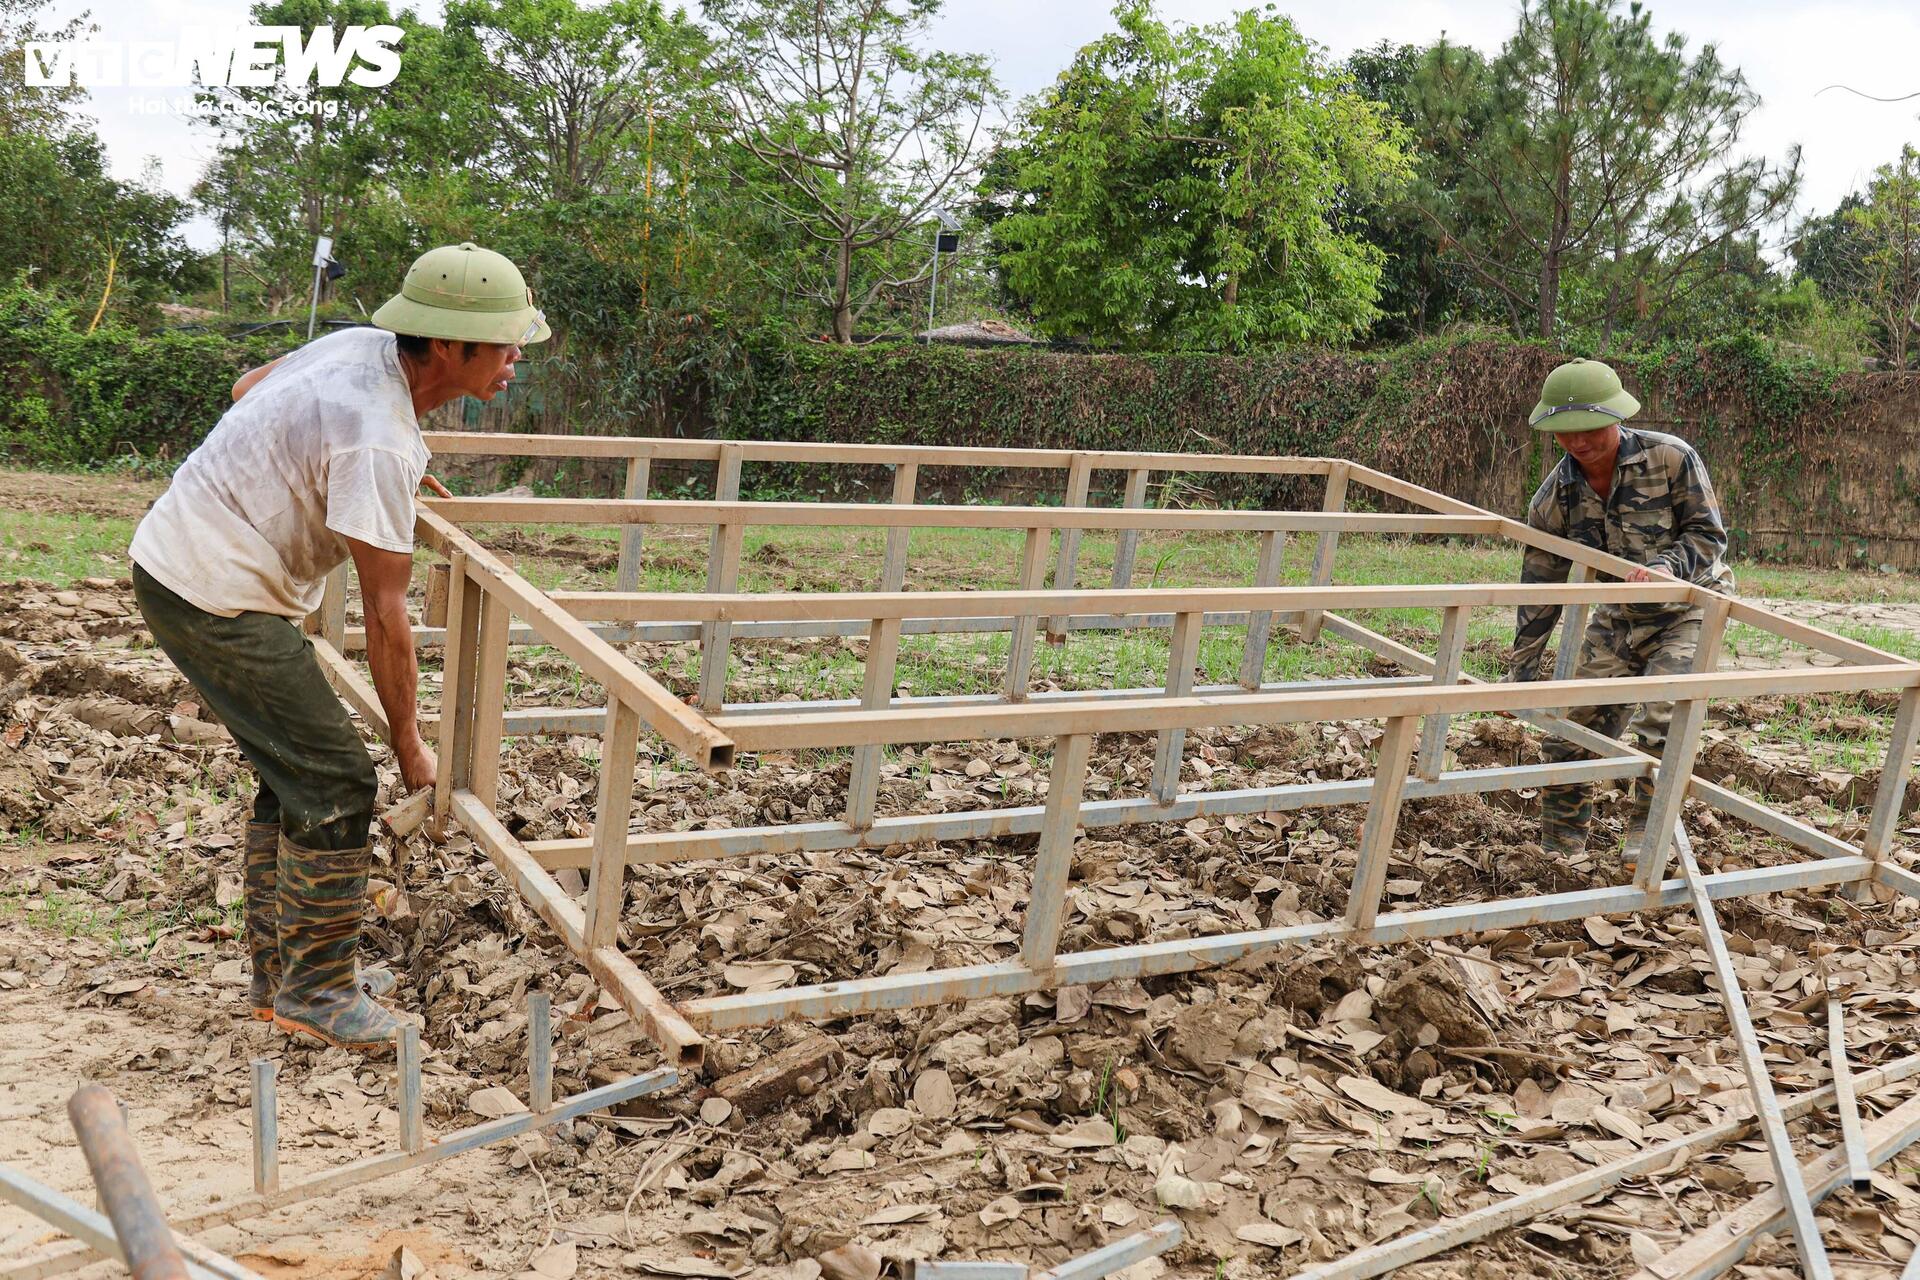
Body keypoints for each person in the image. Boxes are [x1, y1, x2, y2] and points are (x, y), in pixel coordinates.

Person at [129, 242, 549, 1052]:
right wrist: (409, 742)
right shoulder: (376, 438)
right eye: (503, 345)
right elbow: (388, 614)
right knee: (336, 775)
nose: (514, 360)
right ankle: (318, 991)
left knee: (295, 771)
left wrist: (370, 468)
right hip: (211, 590)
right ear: (450, 348)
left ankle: (282, 978)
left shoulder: (357, 347)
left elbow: (248, 387)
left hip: (183, 555)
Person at [1507, 358, 1733, 861]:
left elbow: (1708, 535)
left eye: (1589, 429)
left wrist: (1667, 568)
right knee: (1572, 725)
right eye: (1566, 433)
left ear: (1616, 418)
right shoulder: (1556, 495)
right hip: (1620, 613)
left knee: (1661, 721)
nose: (1579, 443)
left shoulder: (1671, 459)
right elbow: (1541, 581)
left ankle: (1647, 840)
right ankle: (1559, 846)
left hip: (1689, 608)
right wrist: (1521, 671)